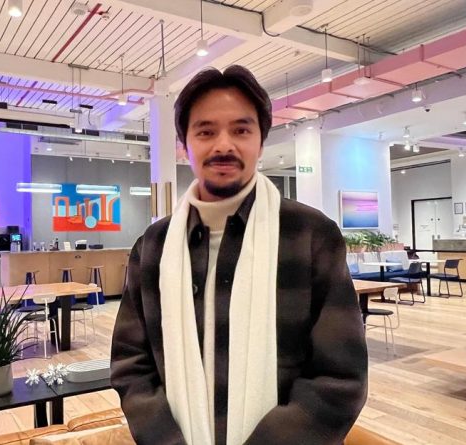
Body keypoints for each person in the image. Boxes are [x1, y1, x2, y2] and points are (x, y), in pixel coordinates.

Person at [110, 65, 368, 445]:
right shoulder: (153, 247)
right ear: (185, 145)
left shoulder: (310, 235)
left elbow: (340, 378)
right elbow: (131, 365)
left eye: (241, 130)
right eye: (206, 131)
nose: (223, 145)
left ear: (261, 142)